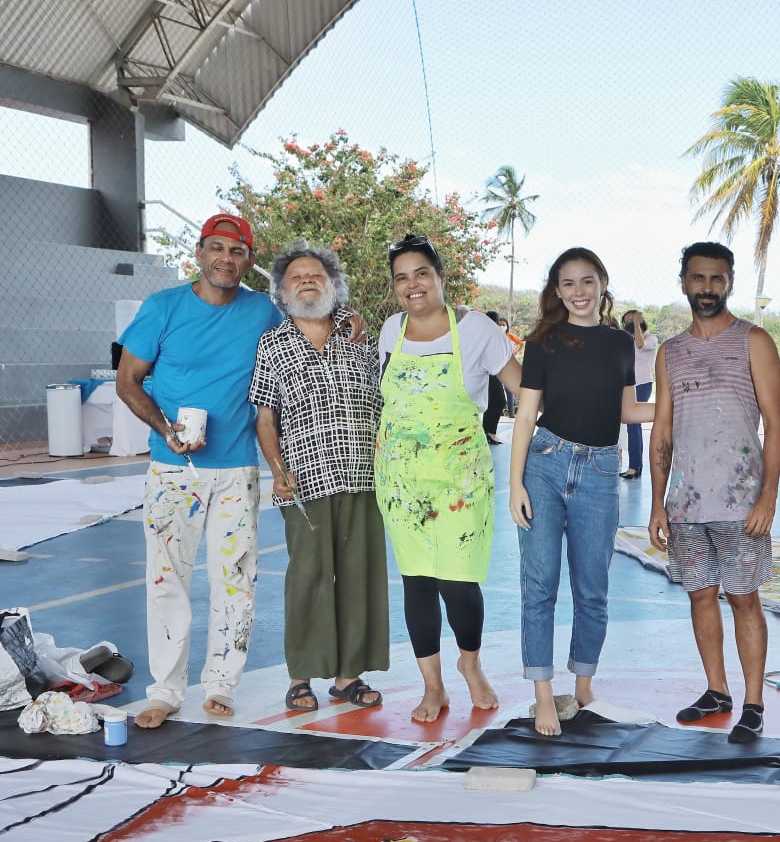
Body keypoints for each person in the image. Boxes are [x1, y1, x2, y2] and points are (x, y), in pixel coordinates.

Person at [116, 214, 363, 729]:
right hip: (173, 471)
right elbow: (129, 382)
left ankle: (222, 684)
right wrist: (166, 429)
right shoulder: (162, 308)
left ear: (249, 260)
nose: (225, 259)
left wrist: (349, 316)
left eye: (237, 251)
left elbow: (311, 315)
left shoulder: (262, 312)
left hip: (237, 471)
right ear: (199, 252)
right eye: (216, 248)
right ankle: (164, 692)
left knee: (236, 579)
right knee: (167, 580)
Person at [375, 234, 522, 723]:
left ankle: (470, 663)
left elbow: (524, 391)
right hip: (402, 482)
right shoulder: (389, 331)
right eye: (402, 277)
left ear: (440, 277)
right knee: (416, 582)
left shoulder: (476, 329)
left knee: (459, 582)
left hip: (460, 481)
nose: (412, 285)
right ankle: (432, 686)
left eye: (421, 273)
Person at [510, 248, 656, 736]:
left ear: (602, 283)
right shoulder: (542, 342)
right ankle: (544, 695)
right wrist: (515, 485)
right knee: (540, 586)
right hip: (545, 466)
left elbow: (630, 412)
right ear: (556, 290)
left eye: (586, 281)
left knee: (592, 590)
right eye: (567, 283)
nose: (578, 292)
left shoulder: (619, 344)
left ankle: (585, 685)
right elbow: (527, 417)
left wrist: (682, 405)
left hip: (599, 471)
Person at [647, 243, 780, 742]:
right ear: (683, 282)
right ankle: (716, 691)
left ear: (729, 283)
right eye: (698, 278)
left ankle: (753, 703)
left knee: (744, 598)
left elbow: (775, 423)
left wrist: (768, 497)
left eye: (717, 279)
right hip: (686, 506)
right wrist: (659, 502)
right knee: (700, 595)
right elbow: (661, 431)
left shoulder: (755, 341)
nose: (707, 288)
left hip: (742, 503)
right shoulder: (670, 352)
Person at [249, 242, 388, 713]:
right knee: (307, 576)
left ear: (334, 286)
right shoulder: (274, 344)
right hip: (305, 480)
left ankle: (349, 676)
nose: (308, 281)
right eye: (297, 277)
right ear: (282, 294)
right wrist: (277, 469)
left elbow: (384, 398)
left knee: (358, 576)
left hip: (362, 476)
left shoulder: (359, 336)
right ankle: (300, 677)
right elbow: (266, 417)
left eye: (317, 276)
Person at [620, 309, 659, 479]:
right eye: (627, 321)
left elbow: (640, 344)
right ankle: (633, 466)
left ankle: (635, 467)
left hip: (642, 384)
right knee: (629, 425)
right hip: (627, 385)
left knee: (633, 424)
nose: (628, 324)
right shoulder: (626, 339)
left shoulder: (650, 338)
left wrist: (636, 323)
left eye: (632, 321)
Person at [481, 310, 509, 443]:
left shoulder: (487, 334)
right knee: (498, 401)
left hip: (491, 372)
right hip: (490, 373)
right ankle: (489, 432)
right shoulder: (490, 335)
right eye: (498, 322)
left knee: (494, 402)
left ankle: (488, 432)